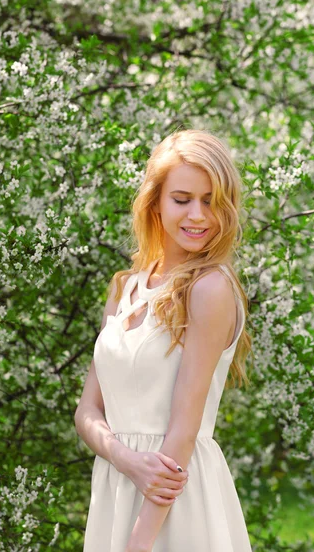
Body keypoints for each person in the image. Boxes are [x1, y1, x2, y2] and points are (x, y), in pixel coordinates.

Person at [75, 128, 254, 552]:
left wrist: (139, 542)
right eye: (182, 199)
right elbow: (87, 409)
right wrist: (126, 461)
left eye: (211, 201)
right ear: (155, 202)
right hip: (117, 487)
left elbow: (183, 430)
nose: (198, 215)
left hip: (176, 498)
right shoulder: (124, 288)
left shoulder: (210, 289)